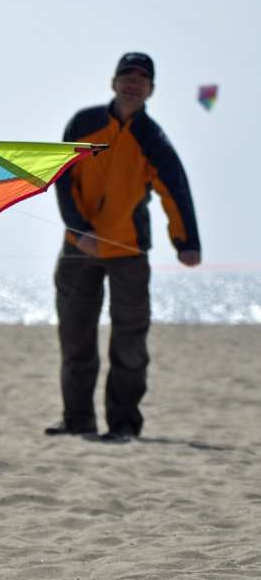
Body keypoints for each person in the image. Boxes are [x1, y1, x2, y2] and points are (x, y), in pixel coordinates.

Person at [46, 52, 201, 443]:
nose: (133, 83)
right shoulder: (84, 123)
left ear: (151, 90)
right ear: (113, 82)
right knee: (75, 337)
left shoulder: (153, 139)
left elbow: (175, 191)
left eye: (141, 79)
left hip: (128, 251)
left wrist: (187, 242)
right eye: (126, 76)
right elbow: (61, 177)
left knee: (129, 344)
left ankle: (123, 424)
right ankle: (77, 419)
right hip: (79, 248)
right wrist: (78, 229)